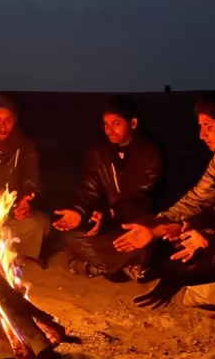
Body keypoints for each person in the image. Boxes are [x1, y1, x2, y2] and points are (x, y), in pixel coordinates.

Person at [114, 90, 215, 303]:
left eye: (208, 126)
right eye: (201, 127)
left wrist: (181, 226)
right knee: (183, 239)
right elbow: (195, 200)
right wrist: (157, 225)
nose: (201, 135)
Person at [53, 96, 163, 277]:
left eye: (116, 124)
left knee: (146, 243)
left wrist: (109, 213)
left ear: (133, 123)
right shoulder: (99, 153)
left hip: (136, 223)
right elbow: (90, 190)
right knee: (71, 236)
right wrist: (79, 212)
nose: (109, 130)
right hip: (107, 226)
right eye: (106, 124)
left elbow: (142, 198)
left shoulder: (150, 153)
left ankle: (92, 266)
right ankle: (125, 267)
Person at [0, 94, 51, 263]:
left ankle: (9, 254)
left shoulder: (26, 146)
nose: (2, 127)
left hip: (13, 214)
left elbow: (32, 181)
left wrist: (26, 201)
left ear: (14, 122)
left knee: (40, 224)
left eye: (7, 121)